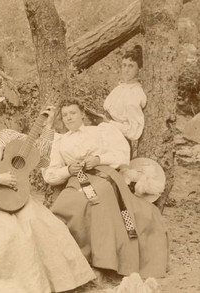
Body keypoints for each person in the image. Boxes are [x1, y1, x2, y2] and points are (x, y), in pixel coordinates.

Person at [0, 89, 95, 293]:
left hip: (17, 196)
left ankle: (64, 282)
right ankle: (26, 287)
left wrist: (49, 127)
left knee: (51, 226)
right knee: (13, 236)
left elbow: (39, 157)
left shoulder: (10, 135)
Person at [42, 99, 169, 279]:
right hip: (77, 180)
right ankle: (73, 260)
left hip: (104, 175)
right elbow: (50, 174)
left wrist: (99, 159)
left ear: (82, 114)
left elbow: (121, 155)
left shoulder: (99, 132)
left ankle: (105, 262)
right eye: (65, 115)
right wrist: (68, 169)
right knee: (63, 206)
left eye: (73, 113)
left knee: (98, 200)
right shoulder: (60, 141)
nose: (69, 117)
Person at [102, 45, 147, 143]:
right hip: (106, 136)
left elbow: (134, 131)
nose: (126, 70)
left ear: (139, 69)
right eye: (124, 65)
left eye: (131, 66)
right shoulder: (120, 88)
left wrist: (109, 123)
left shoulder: (136, 94)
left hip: (119, 142)